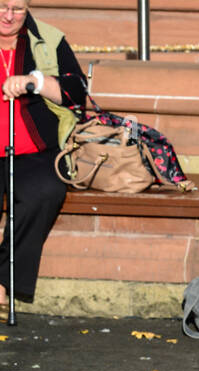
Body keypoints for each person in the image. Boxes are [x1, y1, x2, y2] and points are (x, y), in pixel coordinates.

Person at [0, 1, 86, 316]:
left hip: (36, 149)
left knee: (44, 192)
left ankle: (3, 281)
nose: (9, 16)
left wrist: (35, 81)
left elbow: (78, 91)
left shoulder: (46, 39)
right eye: (1, 7)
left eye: (17, 9)